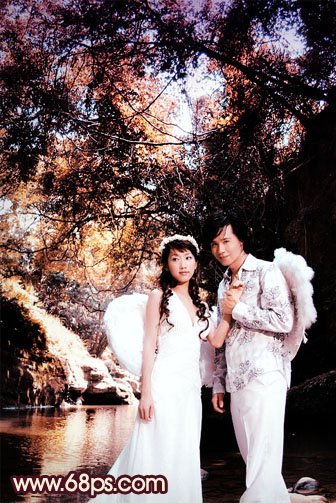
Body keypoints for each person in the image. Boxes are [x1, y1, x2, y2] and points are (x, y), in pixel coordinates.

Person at [92, 234, 231, 502]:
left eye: (188, 258)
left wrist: (227, 312)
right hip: (163, 385)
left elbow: (216, 341)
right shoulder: (158, 297)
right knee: (155, 447)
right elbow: (149, 345)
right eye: (175, 259)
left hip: (189, 390)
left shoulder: (202, 307)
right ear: (167, 264)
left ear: (196, 263)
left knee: (183, 449)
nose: (183, 265)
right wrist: (145, 392)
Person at [203, 212, 295, 503]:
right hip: (237, 381)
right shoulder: (222, 285)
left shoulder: (266, 271)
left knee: (263, 457)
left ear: (241, 240)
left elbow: (284, 320)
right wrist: (218, 383)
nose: (220, 249)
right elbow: (223, 335)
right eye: (214, 244)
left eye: (226, 241)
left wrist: (238, 309)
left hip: (265, 373)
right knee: (253, 457)